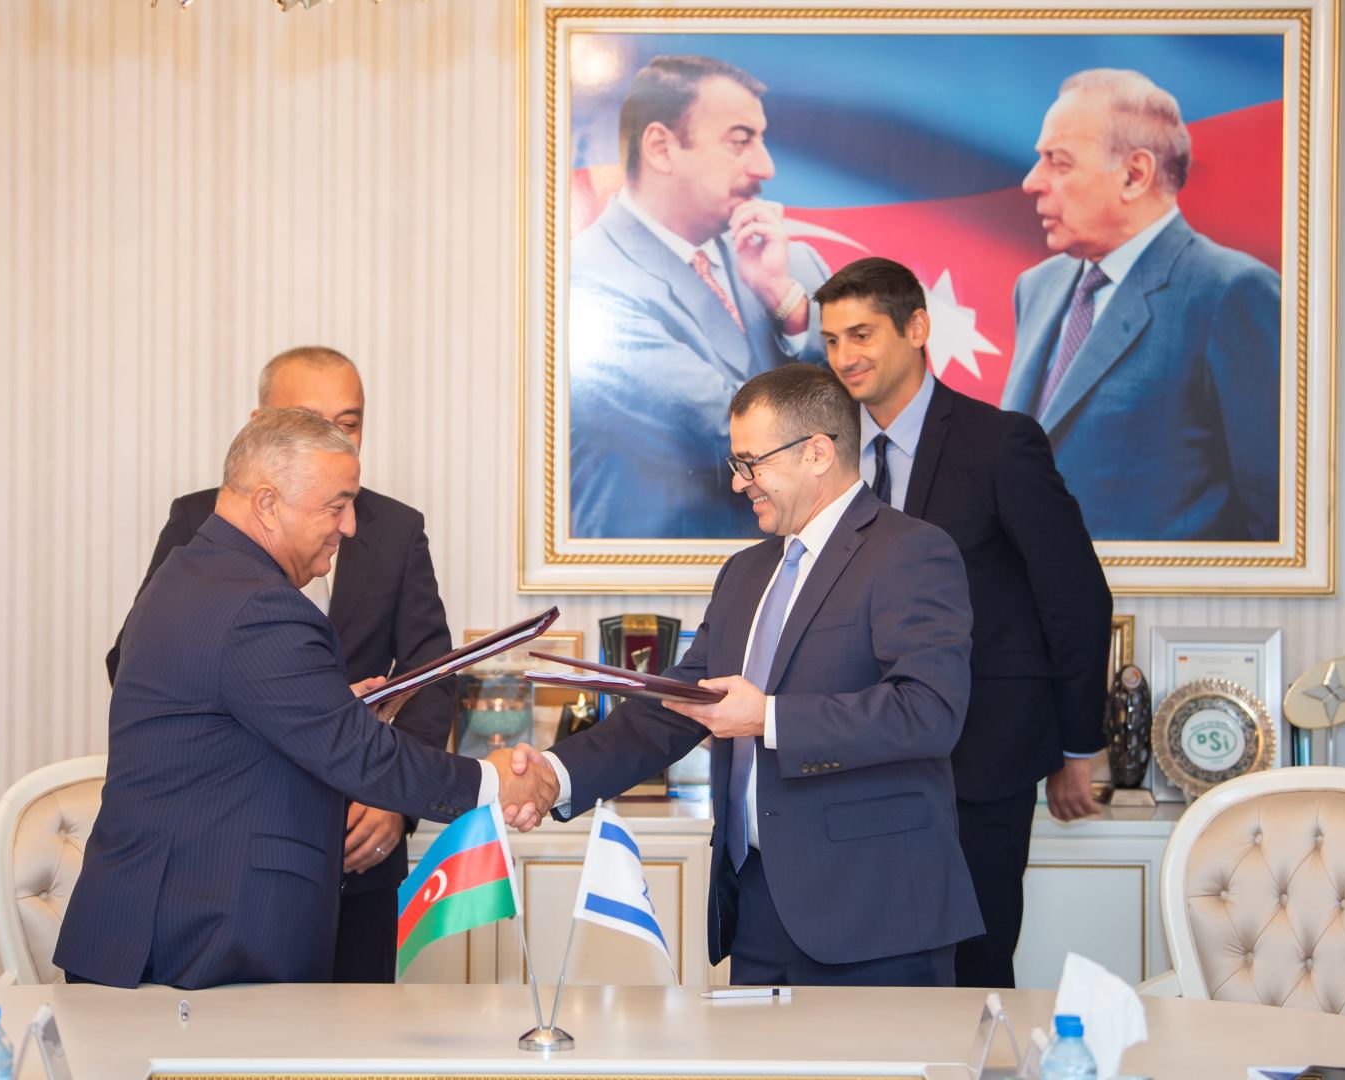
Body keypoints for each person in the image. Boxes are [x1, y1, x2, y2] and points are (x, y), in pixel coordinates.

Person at [56, 409, 556, 989]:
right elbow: (362, 756)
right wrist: (495, 783)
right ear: (268, 504)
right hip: (194, 949)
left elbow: (234, 716)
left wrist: (333, 707)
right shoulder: (259, 606)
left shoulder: (192, 572)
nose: (349, 527)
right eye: (336, 506)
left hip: (160, 934)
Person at [531, 364, 982, 986]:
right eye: (735, 463)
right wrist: (554, 776)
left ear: (817, 452)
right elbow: (676, 705)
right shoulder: (745, 572)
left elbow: (929, 712)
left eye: (751, 463)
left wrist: (767, 717)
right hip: (758, 909)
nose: (739, 482)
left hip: (876, 914)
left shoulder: (910, 551)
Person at [105, 345, 451, 984]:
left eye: (349, 423)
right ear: (261, 425)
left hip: (361, 847)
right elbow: (138, 662)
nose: (334, 436)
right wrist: (295, 708)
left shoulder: (395, 527)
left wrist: (392, 805)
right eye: (310, 421)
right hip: (230, 867)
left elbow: (432, 673)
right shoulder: (204, 518)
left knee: (355, 1028)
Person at [817, 257, 1113, 989]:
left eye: (862, 334)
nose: (845, 357)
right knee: (869, 968)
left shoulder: (1000, 442)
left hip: (984, 759)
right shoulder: (827, 454)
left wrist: (1078, 746)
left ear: (916, 328)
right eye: (831, 340)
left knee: (975, 968)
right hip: (855, 762)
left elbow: (1075, 597)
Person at [1000, 68, 1281, 542]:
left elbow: (1273, 515)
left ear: (1134, 175)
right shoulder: (1037, 288)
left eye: (1059, 162)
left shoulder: (1230, 293)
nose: (1032, 181)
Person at [568, 54, 831, 540]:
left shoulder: (793, 267)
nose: (766, 167)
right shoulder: (586, 276)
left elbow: (863, 416)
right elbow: (727, 432)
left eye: (762, 140)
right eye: (740, 141)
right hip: (664, 570)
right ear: (661, 148)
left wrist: (787, 304)